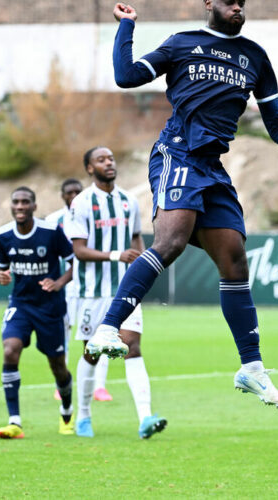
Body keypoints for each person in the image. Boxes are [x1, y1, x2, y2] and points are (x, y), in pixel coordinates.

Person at [87, 1, 278, 409]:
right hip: (178, 154)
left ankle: (251, 368)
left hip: (212, 168)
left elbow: (276, 125)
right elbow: (125, 76)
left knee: (235, 260)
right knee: (171, 242)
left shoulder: (255, 56)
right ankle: (108, 327)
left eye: (242, 3)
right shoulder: (183, 43)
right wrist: (126, 27)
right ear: (210, 5)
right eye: (229, 2)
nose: (237, 7)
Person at [64, 146, 167, 439]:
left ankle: (145, 417)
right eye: (101, 159)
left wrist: (146, 265)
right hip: (91, 292)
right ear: (89, 168)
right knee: (92, 353)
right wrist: (115, 256)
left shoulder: (129, 201)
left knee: (132, 347)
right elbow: (79, 251)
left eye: (110, 158)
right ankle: (83, 416)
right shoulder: (81, 203)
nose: (108, 163)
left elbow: (136, 239)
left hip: (125, 290)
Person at [0, 187, 76, 439]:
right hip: (20, 304)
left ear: (34, 206)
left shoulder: (50, 232)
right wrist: (3, 277)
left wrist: (59, 283)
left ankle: (66, 410)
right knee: (10, 349)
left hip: (51, 308)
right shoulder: (2, 235)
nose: (20, 206)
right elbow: (3, 271)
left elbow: (75, 261)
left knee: (58, 367)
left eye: (25, 202)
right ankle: (14, 421)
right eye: (15, 202)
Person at [45, 179, 114, 402]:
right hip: (63, 285)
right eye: (69, 192)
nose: (73, 195)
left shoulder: (95, 215)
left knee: (98, 334)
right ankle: (62, 382)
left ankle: (99, 386)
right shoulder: (53, 221)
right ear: (62, 195)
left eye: (77, 191)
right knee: (62, 333)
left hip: (90, 283)